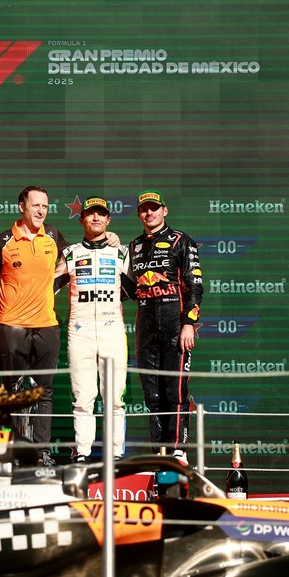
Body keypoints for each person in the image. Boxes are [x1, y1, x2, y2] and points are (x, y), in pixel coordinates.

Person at [0, 185, 69, 466]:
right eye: (35, 205)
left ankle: (42, 453)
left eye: (45, 206)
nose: (40, 211)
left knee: (44, 392)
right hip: (11, 326)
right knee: (13, 392)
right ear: (21, 207)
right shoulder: (2, 241)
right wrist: (7, 298)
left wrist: (53, 285)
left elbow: (72, 261)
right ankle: (12, 454)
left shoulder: (54, 235)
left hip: (47, 325)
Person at [127, 191, 204, 462]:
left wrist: (189, 324)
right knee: (152, 393)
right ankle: (158, 454)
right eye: (144, 209)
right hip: (145, 323)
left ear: (164, 211)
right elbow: (127, 287)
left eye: (154, 209)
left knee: (176, 390)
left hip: (174, 321)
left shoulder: (182, 241)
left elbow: (195, 286)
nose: (149, 213)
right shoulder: (133, 245)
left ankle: (178, 451)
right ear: (139, 214)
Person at [60, 196, 134, 462]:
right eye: (90, 214)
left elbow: (137, 291)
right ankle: (82, 453)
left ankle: (115, 455)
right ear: (82, 220)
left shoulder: (122, 252)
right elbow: (46, 287)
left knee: (115, 398)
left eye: (101, 214)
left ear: (108, 220)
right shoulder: (69, 254)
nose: (95, 218)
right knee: (82, 397)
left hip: (112, 329)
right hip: (80, 331)